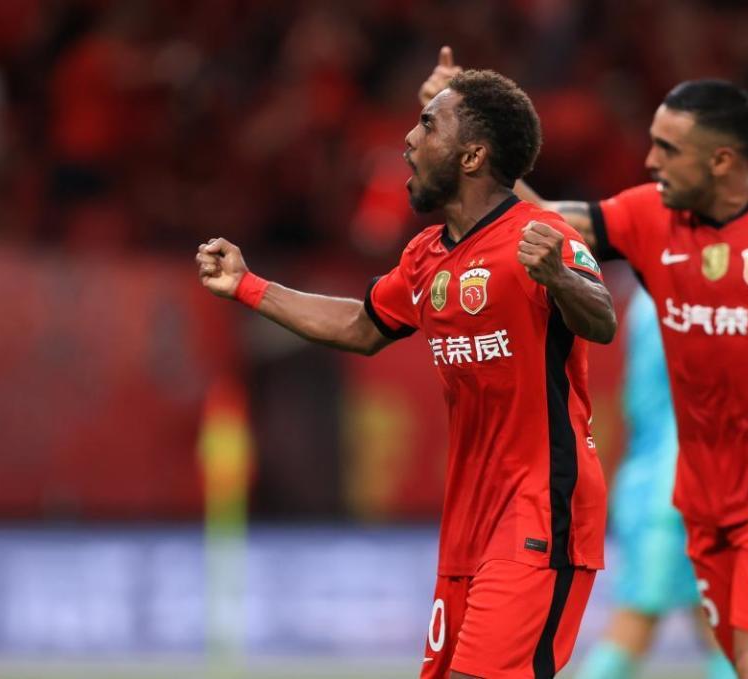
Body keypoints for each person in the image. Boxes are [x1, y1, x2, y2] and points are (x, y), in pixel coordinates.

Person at [417, 50, 748, 679]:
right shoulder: (647, 217)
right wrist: (464, 132)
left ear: (721, 160)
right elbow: (537, 216)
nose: (650, 161)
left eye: (667, 149)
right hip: (698, 498)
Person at [196, 69, 617, 679]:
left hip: (539, 511)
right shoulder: (427, 256)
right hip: (468, 520)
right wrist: (248, 286)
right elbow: (361, 326)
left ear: (472, 155)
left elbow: (601, 319)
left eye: (427, 125)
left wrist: (561, 279)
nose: (408, 140)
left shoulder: (540, 235)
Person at [575, 288, 736, 679]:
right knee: (637, 619)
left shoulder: (647, 300)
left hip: (668, 482)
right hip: (670, 492)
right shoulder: (681, 302)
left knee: (716, 624)